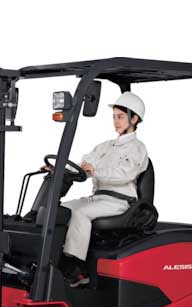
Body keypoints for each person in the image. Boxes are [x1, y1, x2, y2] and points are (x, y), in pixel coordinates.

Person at [59, 92, 149, 287]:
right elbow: (84, 164)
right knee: (59, 211)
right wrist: (59, 170)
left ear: (134, 119)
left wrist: (96, 171)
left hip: (119, 201)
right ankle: (53, 260)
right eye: (114, 117)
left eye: (121, 117)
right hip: (98, 198)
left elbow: (124, 174)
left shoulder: (137, 148)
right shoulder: (104, 146)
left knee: (81, 213)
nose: (116, 122)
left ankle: (77, 270)